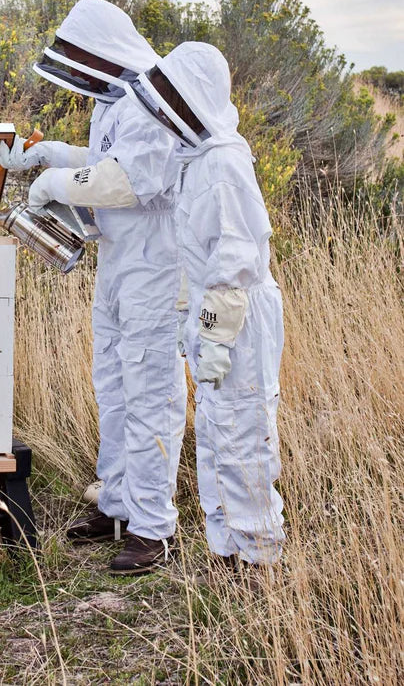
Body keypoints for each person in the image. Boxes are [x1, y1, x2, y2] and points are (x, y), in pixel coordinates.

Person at [0, 0, 187, 574]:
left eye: (82, 61)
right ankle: (117, 505)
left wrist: (57, 180)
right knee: (113, 385)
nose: (79, 76)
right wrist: (50, 156)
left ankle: (151, 528)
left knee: (151, 393)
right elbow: (105, 160)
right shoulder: (113, 103)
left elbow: (128, 180)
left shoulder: (151, 101)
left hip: (156, 266)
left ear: (104, 53)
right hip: (119, 262)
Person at [123, 41, 285, 568]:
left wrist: (215, 335)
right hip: (215, 311)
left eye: (174, 96)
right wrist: (191, 319)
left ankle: (259, 559)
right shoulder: (196, 159)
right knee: (215, 434)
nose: (166, 110)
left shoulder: (222, 163)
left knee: (241, 433)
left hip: (238, 317)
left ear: (194, 98)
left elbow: (235, 259)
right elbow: (192, 251)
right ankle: (228, 551)